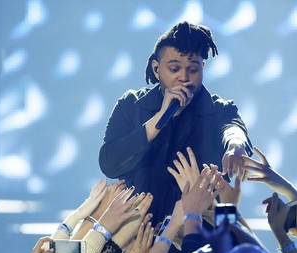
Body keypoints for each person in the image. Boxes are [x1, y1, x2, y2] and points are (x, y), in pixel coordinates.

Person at [99, 20, 253, 226]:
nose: (184, 77)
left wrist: (235, 145)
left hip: (202, 243)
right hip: (141, 244)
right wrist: (159, 119)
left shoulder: (219, 110)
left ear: (203, 68)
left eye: (193, 69)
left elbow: (233, 129)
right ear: (156, 68)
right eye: (174, 68)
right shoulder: (132, 105)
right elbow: (109, 165)